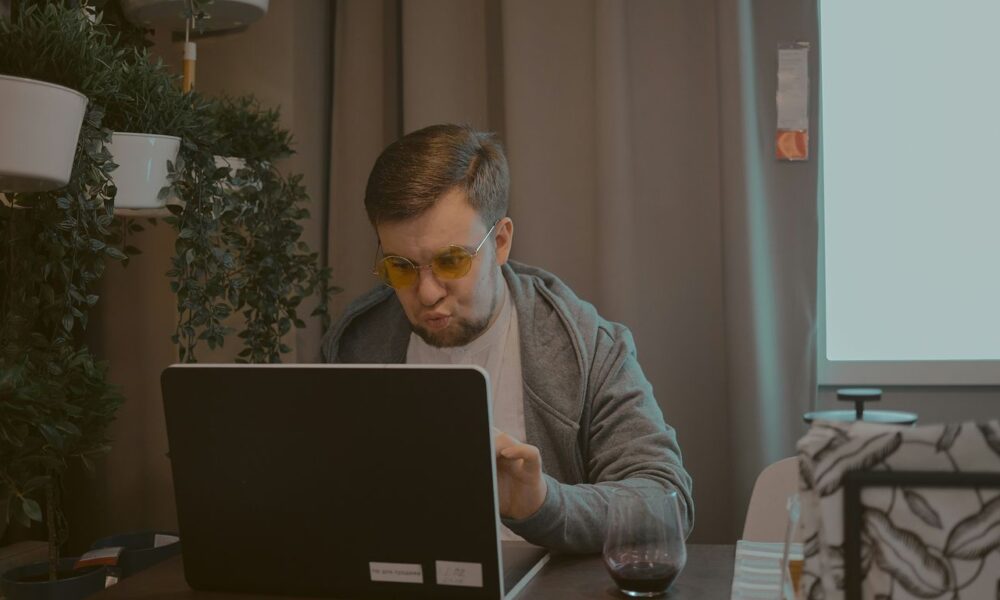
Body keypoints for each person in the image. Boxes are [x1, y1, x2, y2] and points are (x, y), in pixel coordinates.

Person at [321, 124, 693, 553]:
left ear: (500, 241)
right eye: (400, 267)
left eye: (451, 261)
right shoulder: (356, 342)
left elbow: (666, 500)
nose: (427, 293)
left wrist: (545, 504)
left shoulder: (588, 345)